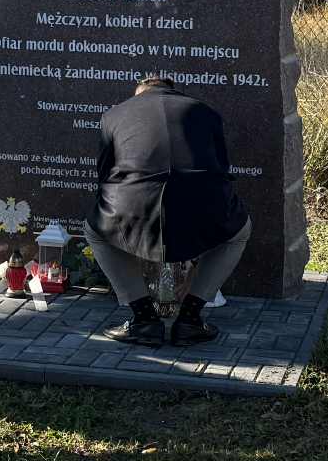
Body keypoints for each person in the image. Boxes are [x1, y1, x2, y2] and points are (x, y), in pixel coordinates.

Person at [85, 76, 251, 349]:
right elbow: (221, 165)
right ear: (172, 91)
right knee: (239, 232)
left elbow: (104, 174)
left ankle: (144, 319)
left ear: (139, 93)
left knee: (96, 231)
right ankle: (190, 319)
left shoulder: (114, 114)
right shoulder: (205, 111)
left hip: (133, 203)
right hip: (203, 201)